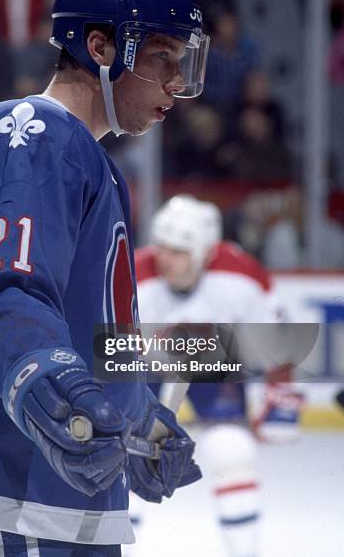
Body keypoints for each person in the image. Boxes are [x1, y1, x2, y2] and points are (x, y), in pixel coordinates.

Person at [0, 0, 210, 556]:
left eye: (183, 62)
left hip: (58, 499)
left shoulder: (89, 162)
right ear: (100, 45)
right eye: (162, 57)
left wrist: (134, 409)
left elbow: (82, 320)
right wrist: (47, 383)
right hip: (14, 493)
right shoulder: (31, 133)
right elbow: (8, 292)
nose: (176, 81)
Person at [135, 194, 305, 557]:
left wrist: (283, 400)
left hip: (214, 365)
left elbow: (279, 342)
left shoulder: (241, 275)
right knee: (125, 458)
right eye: (162, 247)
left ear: (206, 253)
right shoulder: (134, 274)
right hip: (145, 365)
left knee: (232, 450)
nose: (165, 259)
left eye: (179, 251)